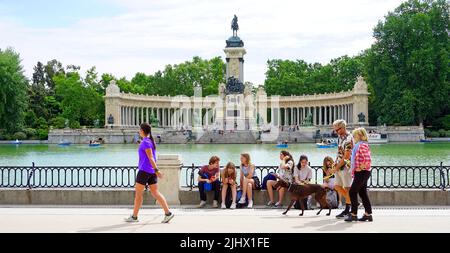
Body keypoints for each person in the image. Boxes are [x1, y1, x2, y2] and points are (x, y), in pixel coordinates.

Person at [125, 123, 174, 223]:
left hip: (144, 171)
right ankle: (168, 213)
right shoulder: (149, 141)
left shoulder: (145, 142)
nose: (139, 131)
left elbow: (150, 157)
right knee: (156, 193)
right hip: (150, 171)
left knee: (138, 194)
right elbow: (149, 155)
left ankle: (134, 217)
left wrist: (157, 170)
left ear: (142, 130)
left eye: (139, 129)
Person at [345, 128, 373, 222]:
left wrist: (361, 167)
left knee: (352, 191)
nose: (353, 137)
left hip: (362, 172)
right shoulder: (361, 145)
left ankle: (353, 214)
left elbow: (367, 159)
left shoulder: (361, 145)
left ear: (360, 136)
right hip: (363, 172)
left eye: (354, 136)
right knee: (362, 192)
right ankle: (368, 214)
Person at [330, 119, 354, 219]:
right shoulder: (340, 137)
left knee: (347, 188)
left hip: (346, 167)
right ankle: (353, 203)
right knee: (336, 186)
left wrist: (337, 167)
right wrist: (335, 163)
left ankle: (348, 208)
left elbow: (347, 156)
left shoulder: (349, 139)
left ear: (344, 127)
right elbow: (339, 153)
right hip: (339, 166)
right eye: (335, 130)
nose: (336, 132)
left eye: (338, 130)